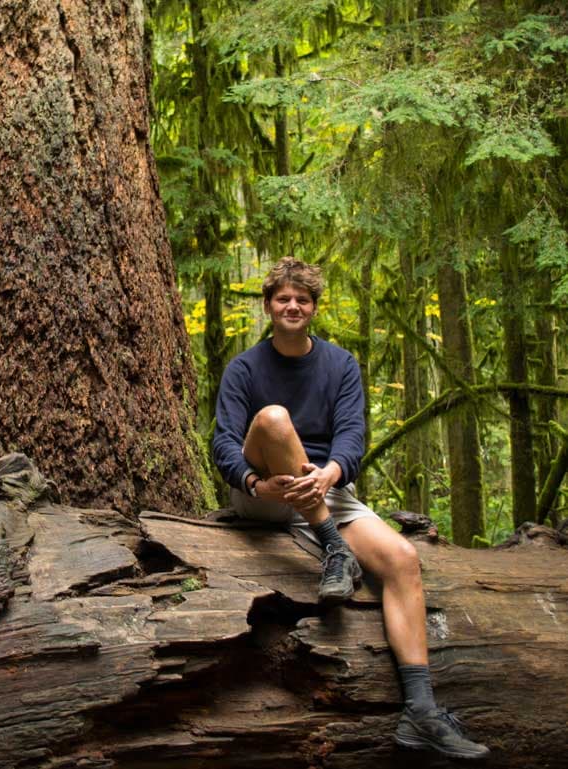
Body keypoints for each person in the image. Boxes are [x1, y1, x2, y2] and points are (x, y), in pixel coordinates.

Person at [212, 257, 489, 760]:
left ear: (313, 308)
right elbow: (225, 443)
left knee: (402, 559)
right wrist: (256, 483)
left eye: (302, 299)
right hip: (266, 494)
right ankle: (334, 548)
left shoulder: (340, 364)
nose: (292, 306)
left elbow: (352, 435)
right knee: (273, 419)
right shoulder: (244, 369)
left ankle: (420, 710)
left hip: (325, 491)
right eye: (282, 298)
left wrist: (332, 472)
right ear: (268, 306)